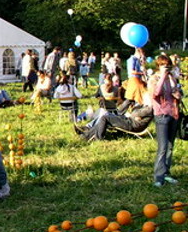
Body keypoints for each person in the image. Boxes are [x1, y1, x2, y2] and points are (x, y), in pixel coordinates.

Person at [149, 54, 181, 187]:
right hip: (161, 115)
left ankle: (166, 173)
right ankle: (159, 176)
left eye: (167, 65)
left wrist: (178, 93)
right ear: (158, 66)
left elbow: (177, 93)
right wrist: (162, 76)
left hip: (173, 114)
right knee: (162, 147)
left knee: (170, 146)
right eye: (163, 65)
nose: (166, 67)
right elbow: (155, 93)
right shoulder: (153, 78)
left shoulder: (171, 78)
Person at [74, 95, 154, 142]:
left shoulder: (149, 108)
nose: (143, 100)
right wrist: (135, 114)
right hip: (129, 121)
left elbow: (134, 113)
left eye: (145, 98)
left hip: (131, 124)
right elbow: (134, 113)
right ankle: (86, 133)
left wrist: (135, 113)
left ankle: (97, 137)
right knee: (105, 115)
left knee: (105, 118)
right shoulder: (146, 107)